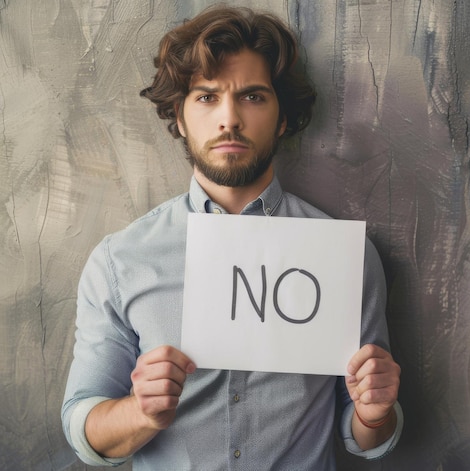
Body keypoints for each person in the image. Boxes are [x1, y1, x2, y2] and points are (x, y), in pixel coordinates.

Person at [62, 5, 403, 470]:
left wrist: (375, 412)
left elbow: (360, 430)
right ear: (179, 118)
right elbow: (84, 427)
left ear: (283, 118)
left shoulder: (345, 257)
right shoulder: (121, 261)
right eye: (206, 97)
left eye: (253, 97)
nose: (229, 119)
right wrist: (139, 413)